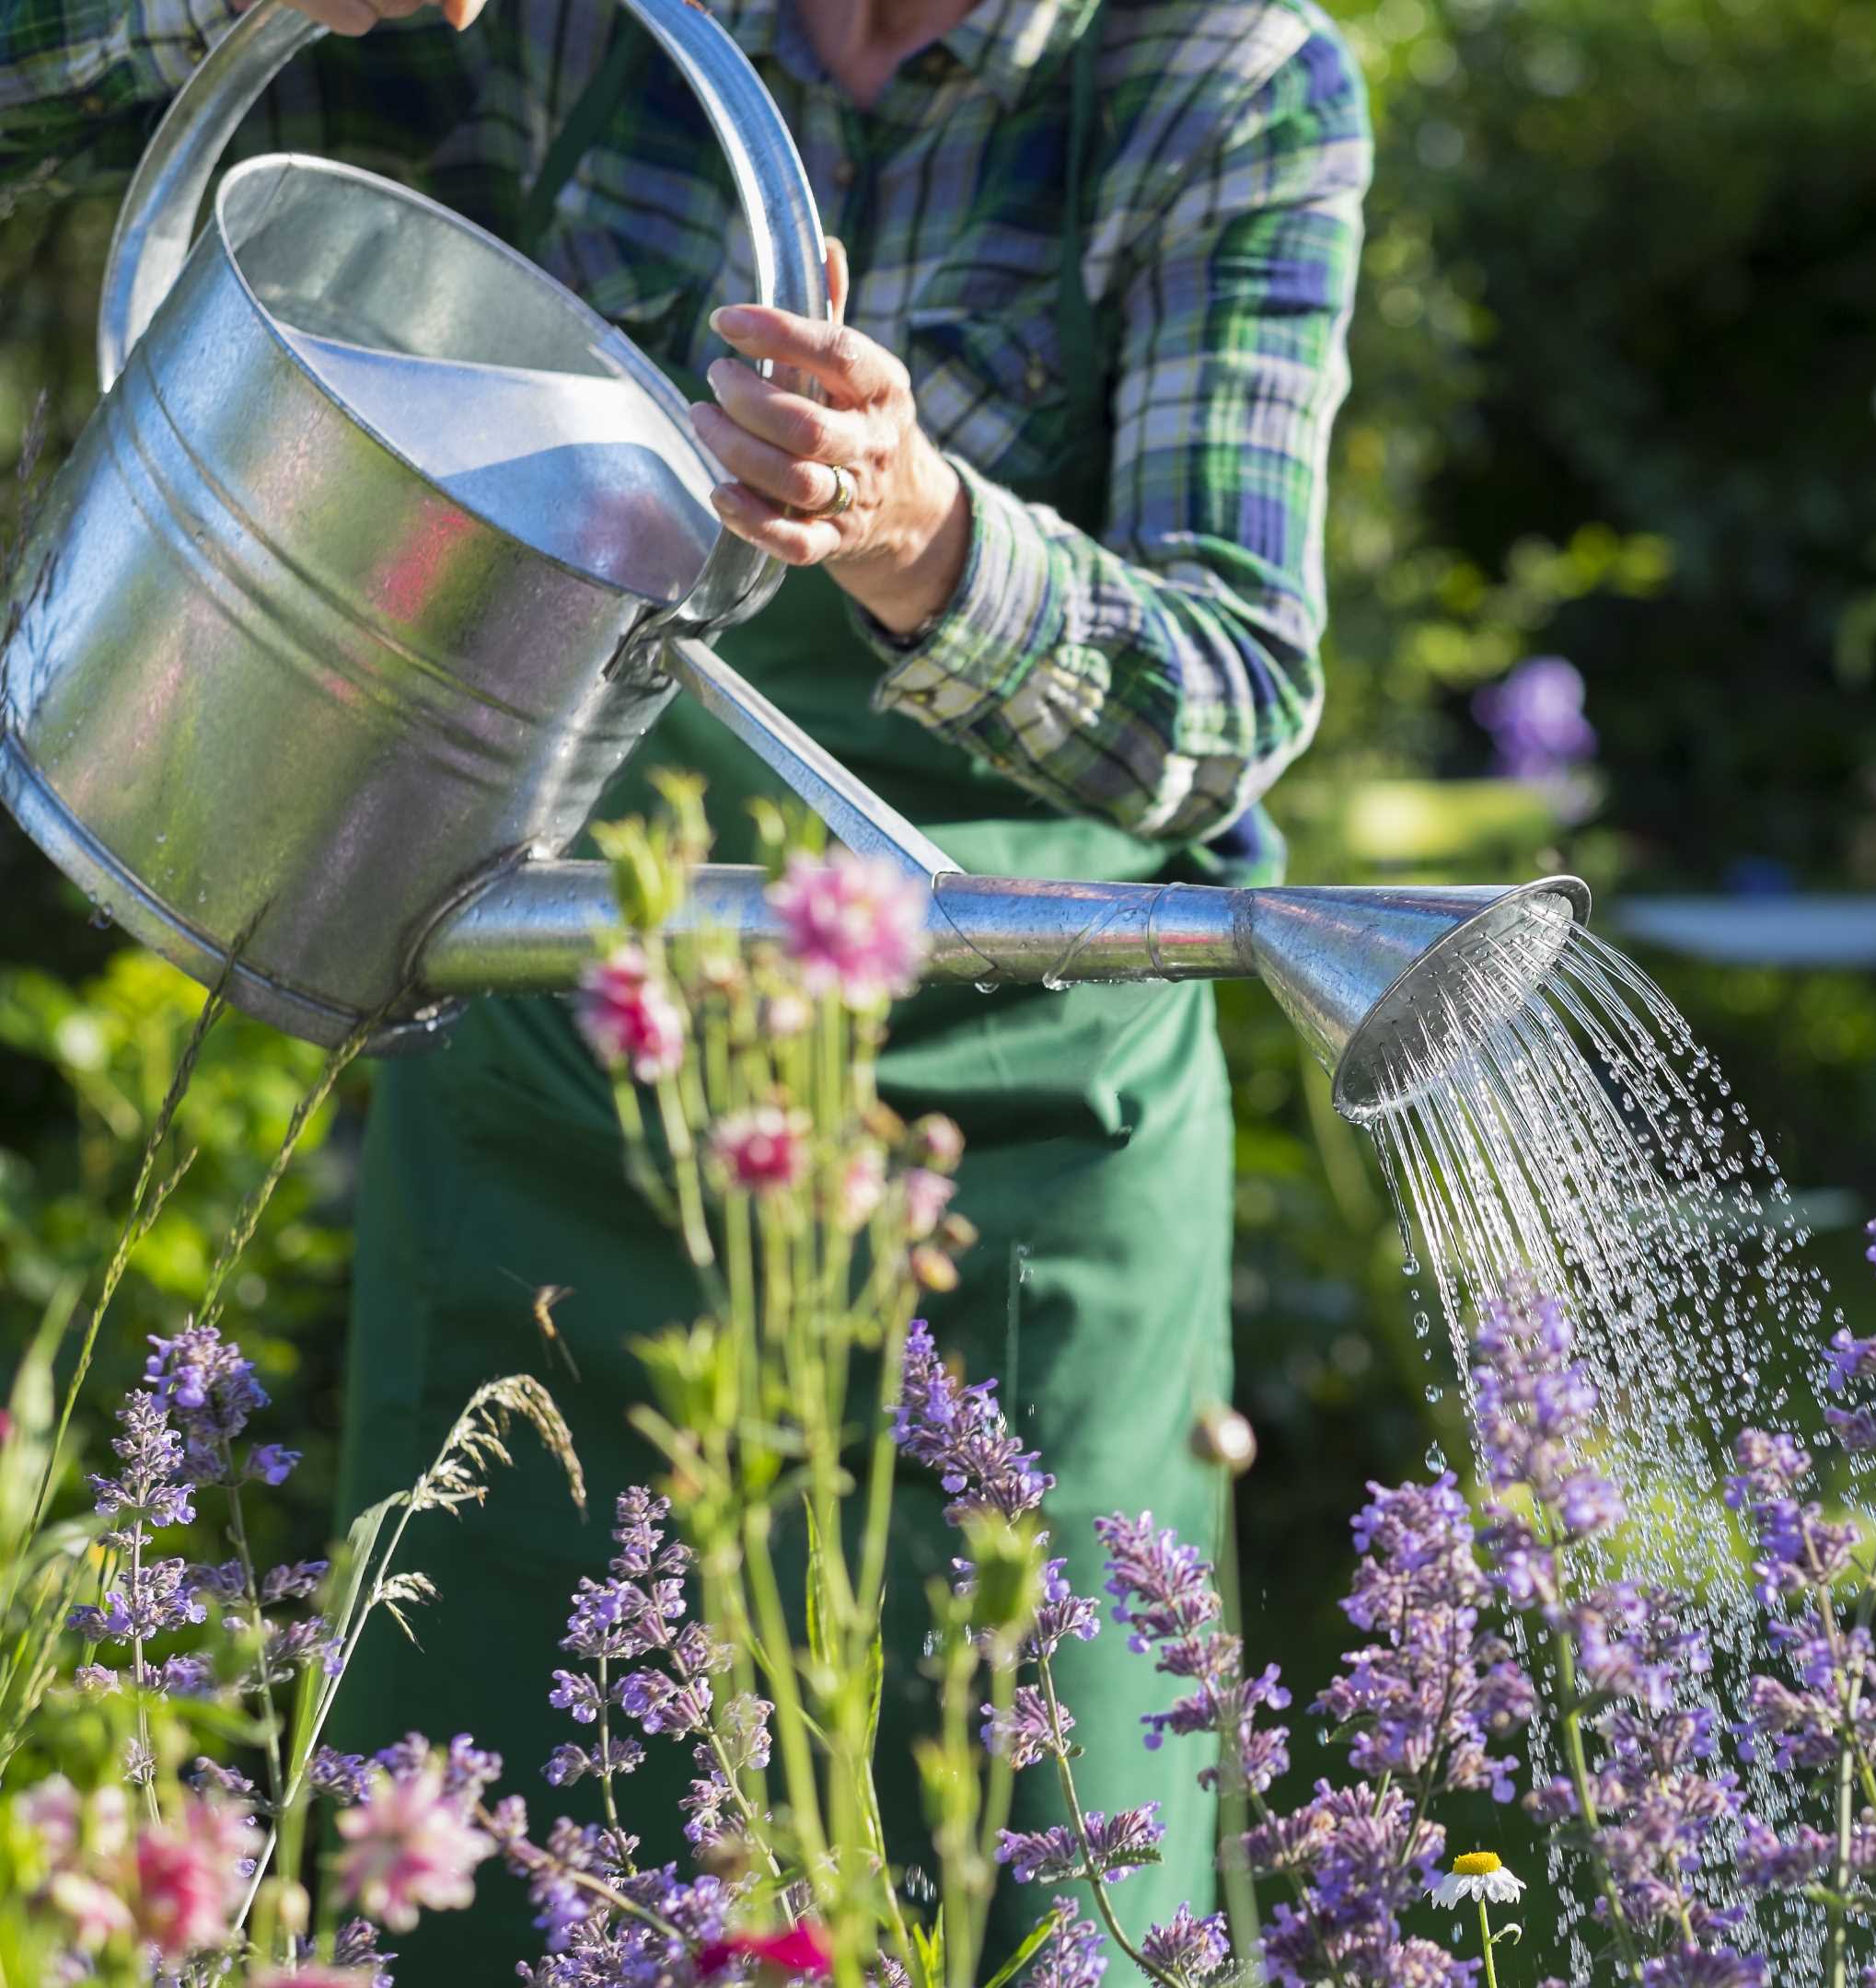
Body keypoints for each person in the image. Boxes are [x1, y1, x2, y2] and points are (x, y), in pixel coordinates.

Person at [0, 0, 1365, 1971]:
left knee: (1014, 1868)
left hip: (1012, 1146)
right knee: (492, 1869)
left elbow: (1228, 700)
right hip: (560, 1077)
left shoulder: (1216, 74)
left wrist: (921, 533)